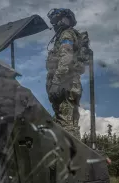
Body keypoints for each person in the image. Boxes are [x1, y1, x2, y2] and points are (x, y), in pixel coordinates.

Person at [45, 8, 86, 140]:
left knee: (66, 125)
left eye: (57, 20)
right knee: (69, 123)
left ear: (67, 19)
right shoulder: (69, 35)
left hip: (65, 84)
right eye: (54, 21)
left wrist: (56, 81)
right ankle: (74, 155)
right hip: (69, 83)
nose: (55, 24)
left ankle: (72, 157)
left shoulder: (66, 35)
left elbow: (66, 58)